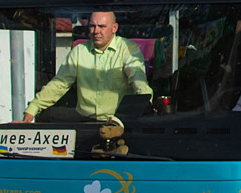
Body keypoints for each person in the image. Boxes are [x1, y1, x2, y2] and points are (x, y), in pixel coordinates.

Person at [19, 10, 152, 122]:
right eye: (92, 26)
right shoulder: (79, 51)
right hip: (84, 123)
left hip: (119, 124)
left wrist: (146, 104)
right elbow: (59, 84)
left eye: (102, 26)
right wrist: (33, 109)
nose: (96, 31)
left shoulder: (129, 49)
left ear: (114, 28)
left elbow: (137, 79)